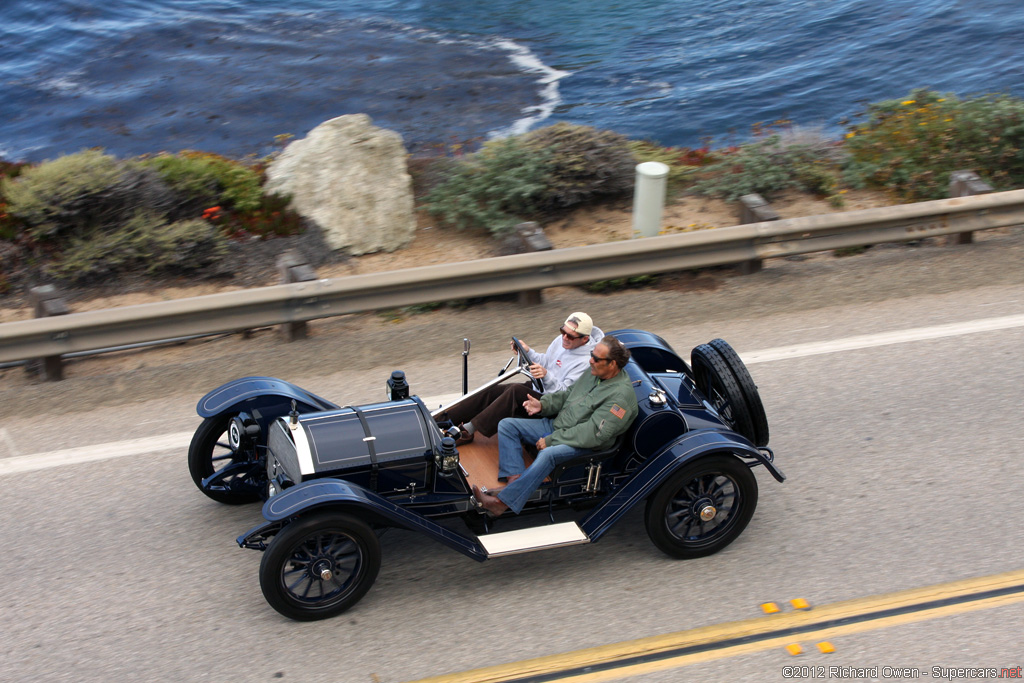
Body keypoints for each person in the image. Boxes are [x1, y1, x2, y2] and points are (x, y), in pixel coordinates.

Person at [472, 335, 638, 516]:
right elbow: (566, 395)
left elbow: (593, 434)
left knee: (548, 454)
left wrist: (552, 440)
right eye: (592, 354)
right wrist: (542, 405)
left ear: (612, 364)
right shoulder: (594, 374)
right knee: (507, 425)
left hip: (584, 444)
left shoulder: (620, 398)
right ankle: (515, 484)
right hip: (560, 425)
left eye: (596, 359)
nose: (590, 360)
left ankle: (501, 503)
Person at [439, 312, 604, 445]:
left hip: (553, 403)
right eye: (563, 332)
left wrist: (546, 376)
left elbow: (563, 394)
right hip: (539, 386)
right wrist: (528, 352)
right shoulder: (561, 341)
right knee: (493, 390)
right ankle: (440, 419)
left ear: (584, 339)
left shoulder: (586, 362)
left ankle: (467, 431)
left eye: (570, 336)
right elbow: (546, 361)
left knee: (514, 391)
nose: (564, 338)